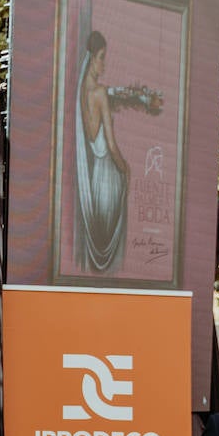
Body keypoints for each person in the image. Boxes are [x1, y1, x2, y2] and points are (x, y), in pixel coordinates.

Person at [75, 30, 130, 275]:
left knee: (101, 235)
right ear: (91, 57)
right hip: (107, 173)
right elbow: (110, 143)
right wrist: (125, 169)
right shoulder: (98, 92)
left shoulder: (80, 92)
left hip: (95, 175)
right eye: (101, 57)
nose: (104, 64)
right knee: (111, 233)